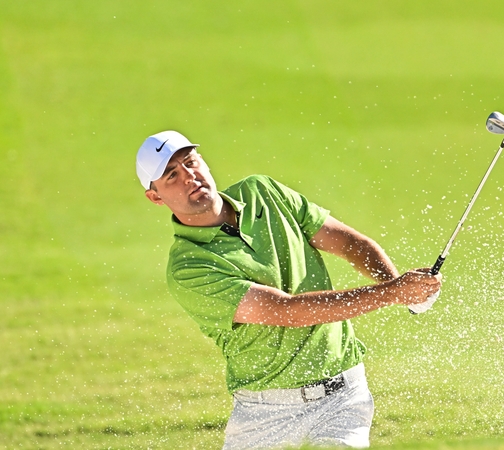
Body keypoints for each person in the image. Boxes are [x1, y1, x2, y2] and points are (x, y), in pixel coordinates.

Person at [135, 130, 442, 449]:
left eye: (190, 161)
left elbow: (350, 243)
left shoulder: (263, 192)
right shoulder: (189, 267)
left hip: (343, 397)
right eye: (172, 175)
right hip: (264, 415)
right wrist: (392, 293)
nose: (189, 176)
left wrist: (398, 286)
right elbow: (286, 311)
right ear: (155, 196)